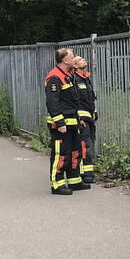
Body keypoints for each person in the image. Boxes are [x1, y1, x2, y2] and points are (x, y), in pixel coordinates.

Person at [44, 48, 89, 195]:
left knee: (74, 152)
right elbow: (53, 103)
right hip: (61, 125)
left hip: (72, 123)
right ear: (65, 60)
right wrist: (60, 123)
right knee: (61, 154)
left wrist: (79, 119)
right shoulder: (55, 77)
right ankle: (57, 184)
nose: (75, 58)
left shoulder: (68, 75)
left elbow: (72, 101)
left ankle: (74, 181)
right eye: (72, 56)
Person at [72, 56, 97, 184]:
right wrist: (78, 117)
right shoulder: (74, 80)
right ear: (75, 66)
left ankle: (88, 173)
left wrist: (95, 112)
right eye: (80, 59)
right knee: (84, 146)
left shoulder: (86, 79)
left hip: (89, 117)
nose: (84, 60)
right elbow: (74, 100)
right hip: (82, 119)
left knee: (89, 143)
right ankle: (85, 175)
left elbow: (91, 98)